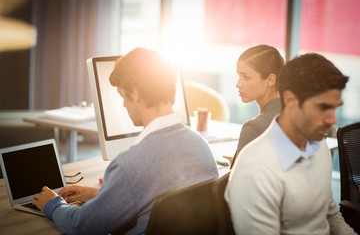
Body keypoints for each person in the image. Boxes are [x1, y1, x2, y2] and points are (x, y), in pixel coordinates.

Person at [32, 48, 219, 235]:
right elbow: (166, 199)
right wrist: (101, 196)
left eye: (122, 96)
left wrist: (53, 205)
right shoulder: (201, 145)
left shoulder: (129, 165)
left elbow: (81, 227)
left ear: (136, 94)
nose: (123, 104)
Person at [225, 53, 356, 234]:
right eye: (323, 107)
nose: (332, 120)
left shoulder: (319, 147)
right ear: (290, 100)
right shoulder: (255, 169)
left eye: (335, 108)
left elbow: (330, 215)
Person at [231, 45, 285, 168]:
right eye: (238, 76)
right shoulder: (295, 115)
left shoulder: (255, 128)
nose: (238, 84)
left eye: (246, 77)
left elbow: (237, 180)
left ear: (270, 80)